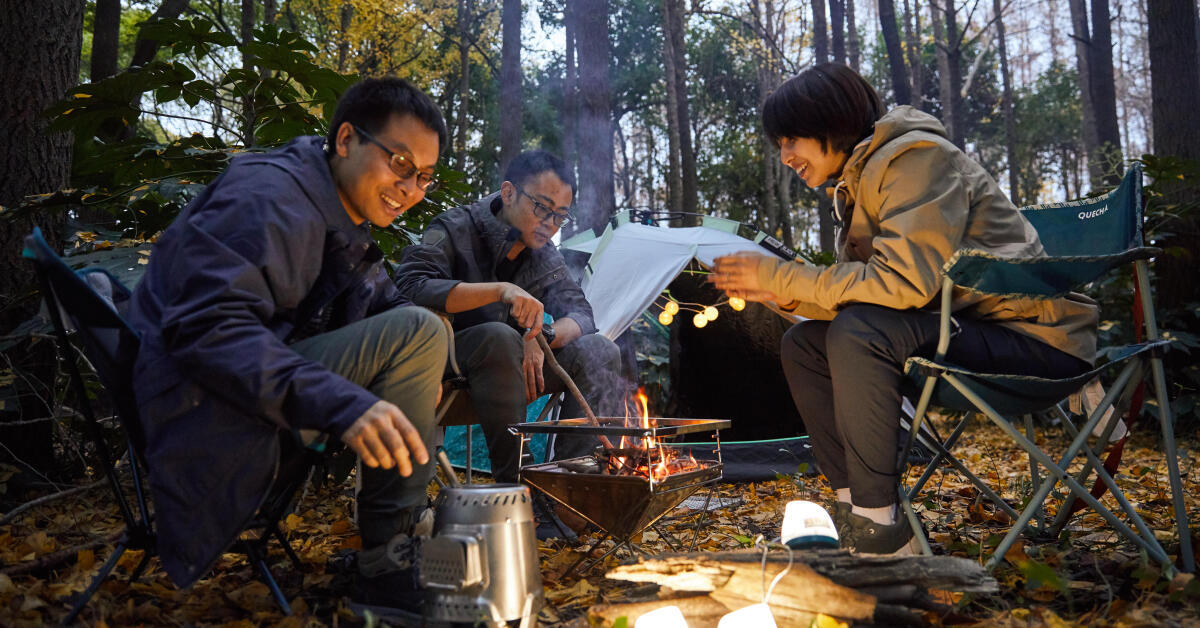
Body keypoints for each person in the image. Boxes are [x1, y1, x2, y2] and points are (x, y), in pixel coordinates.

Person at [710, 63, 1097, 555]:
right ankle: (858, 513)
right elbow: (867, 293)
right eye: (780, 144)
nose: (785, 156)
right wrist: (780, 294)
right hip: (964, 332)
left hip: (1037, 341)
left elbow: (905, 283)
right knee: (805, 344)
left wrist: (783, 277)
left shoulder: (916, 159)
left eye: (792, 140)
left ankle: (880, 530)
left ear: (832, 123)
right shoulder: (859, 181)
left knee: (857, 333)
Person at [128, 77, 450, 614]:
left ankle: (397, 544)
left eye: (424, 178)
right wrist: (344, 401)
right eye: (399, 163)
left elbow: (382, 301)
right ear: (346, 139)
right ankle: (389, 560)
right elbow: (209, 329)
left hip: (234, 393)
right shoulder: (271, 198)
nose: (412, 189)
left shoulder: (331, 212)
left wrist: (432, 362)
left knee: (424, 330)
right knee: (420, 332)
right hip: (200, 409)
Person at [394, 150, 624, 527]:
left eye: (560, 215)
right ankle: (521, 491)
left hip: (513, 371)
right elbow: (411, 286)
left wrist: (541, 335)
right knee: (499, 336)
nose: (550, 223)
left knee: (601, 349)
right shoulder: (456, 227)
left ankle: (573, 487)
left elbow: (582, 315)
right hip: (447, 366)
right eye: (542, 207)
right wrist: (499, 291)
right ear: (508, 193)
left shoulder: (543, 254)